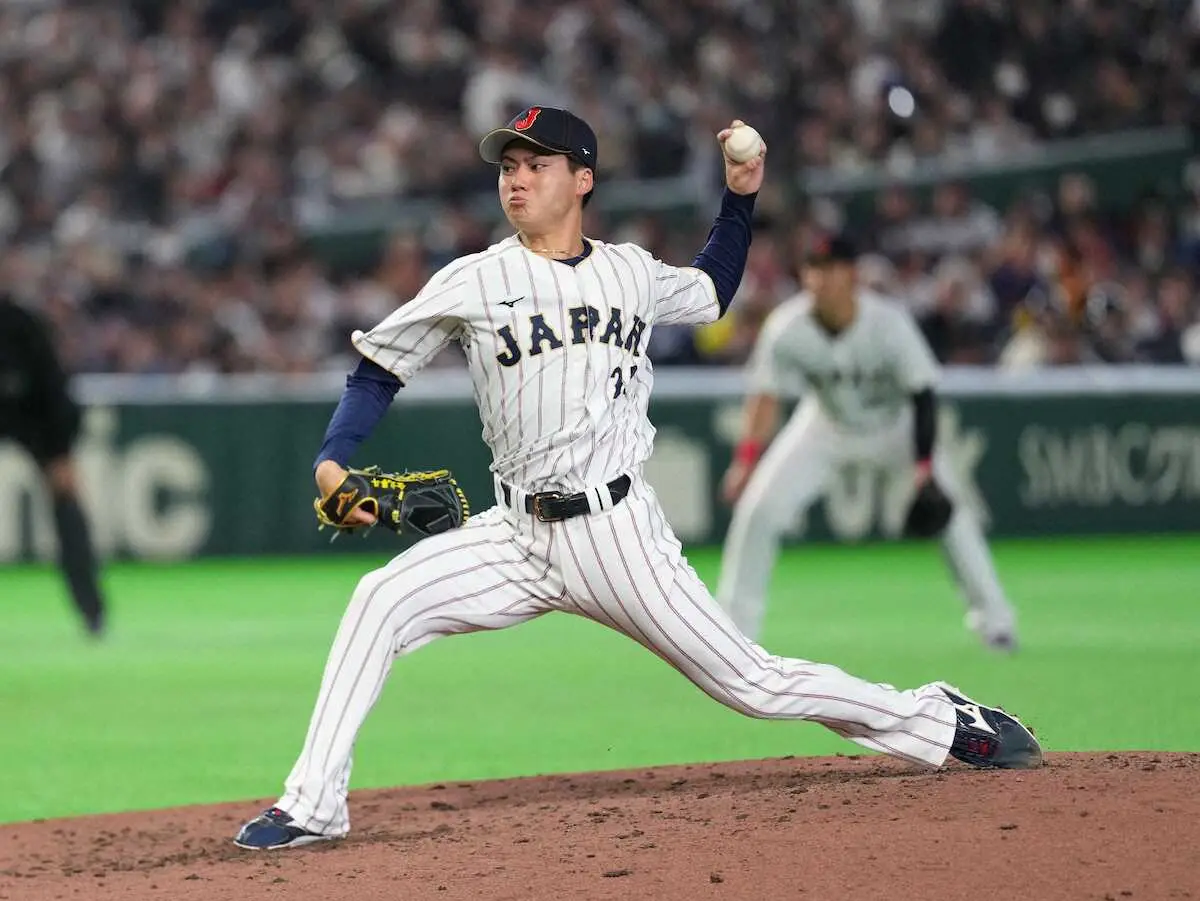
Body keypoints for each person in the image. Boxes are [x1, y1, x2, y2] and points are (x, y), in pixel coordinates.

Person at [233, 108, 1041, 851]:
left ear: (582, 179)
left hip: (617, 534)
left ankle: (936, 720)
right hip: (515, 533)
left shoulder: (629, 273)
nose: (515, 178)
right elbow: (377, 369)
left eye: (535, 164)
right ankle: (313, 805)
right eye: (507, 166)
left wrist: (741, 198)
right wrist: (333, 458)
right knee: (380, 599)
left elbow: (714, 289)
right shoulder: (473, 279)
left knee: (752, 684)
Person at [716, 234, 1017, 651]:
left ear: (851, 274)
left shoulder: (888, 323)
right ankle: (733, 631)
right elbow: (765, 396)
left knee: (952, 513)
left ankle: (996, 622)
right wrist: (745, 460)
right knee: (759, 510)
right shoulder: (788, 327)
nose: (821, 278)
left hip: (897, 428)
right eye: (813, 268)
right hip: (826, 426)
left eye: (831, 267)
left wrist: (925, 470)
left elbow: (923, 395)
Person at [0, 296, 107, 637]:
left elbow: (52, 390)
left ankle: (91, 610)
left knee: (67, 504)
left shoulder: (18, 325)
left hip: (34, 419)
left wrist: (60, 452)